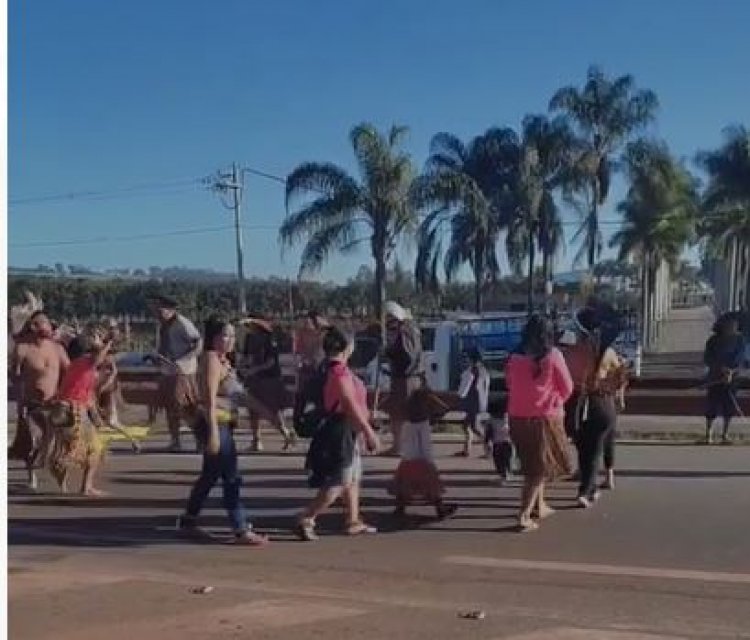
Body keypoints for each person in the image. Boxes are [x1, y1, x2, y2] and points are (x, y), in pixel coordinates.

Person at [177, 316, 268, 546]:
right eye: (225, 335)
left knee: (209, 476)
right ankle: (240, 528)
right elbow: (207, 399)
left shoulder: (223, 361)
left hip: (222, 424)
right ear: (214, 337)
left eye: (232, 335)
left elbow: (241, 397)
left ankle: (188, 521)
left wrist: (273, 418)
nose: (230, 340)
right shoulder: (210, 360)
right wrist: (214, 434)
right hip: (214, 425)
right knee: (231, 477)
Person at [296, 326, 380, 541]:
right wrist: (368, 431)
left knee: (352, 477)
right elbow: (349, 405)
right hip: (340, 428)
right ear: (348, 347)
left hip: (346, 428)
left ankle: (353, 520)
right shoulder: (339, 373)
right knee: (340, 479)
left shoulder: (333, 369)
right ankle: (308, 516)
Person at [505, 314, 573, 531]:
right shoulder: (553, 356)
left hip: (517, 417)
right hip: (543, 418)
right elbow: (567, 387)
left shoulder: (514, 356)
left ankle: (539, 505)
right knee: (537, 470)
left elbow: (509, 383)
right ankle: (523, 515)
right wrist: (554, 400)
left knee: (534, 463)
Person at [564, 307, 628, 506]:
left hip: (574, 403)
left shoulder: (571, 351)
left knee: (585, 448)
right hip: (600, 402)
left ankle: (587, 487)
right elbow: (620, 376)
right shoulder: (607, 352)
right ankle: (586, 490)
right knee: (594, 448)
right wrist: (615, 391)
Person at [48, 327, 115, 496]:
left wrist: (96, 417)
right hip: (73, 411)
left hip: (68, 409)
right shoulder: (84, 363)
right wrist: (109, 341)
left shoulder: (81, 367)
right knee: (93, 449)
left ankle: (68, 484)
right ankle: (85, 487)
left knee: (68, 448)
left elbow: (90, 394)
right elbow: (99, 357)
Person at [9, 310, 71, 490]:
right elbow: (15, 377)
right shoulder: (23, 349)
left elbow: (70, 372)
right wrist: (20, 402)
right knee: (33, 442)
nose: (42, 326)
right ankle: (32, 478)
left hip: (55, 404)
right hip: (32, 404)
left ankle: (62, 482)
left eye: (44, 322)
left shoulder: (58, 349)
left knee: (60, 444)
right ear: (32, 327)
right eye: (37, 323)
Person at [390, 386, 457, 520]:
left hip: (408, 459)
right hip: (423, 460)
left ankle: (400, 508)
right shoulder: (423, 424)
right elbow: (425, 445)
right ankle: (440, 509)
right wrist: (429, 461)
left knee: (404, 486)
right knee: (432, 488)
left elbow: (405, 442)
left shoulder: (407, 423)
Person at [151, 295, 201, 452]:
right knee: (170, 406)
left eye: (161, 310)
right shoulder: (163, 325)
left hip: (183, 372)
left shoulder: (183, 323)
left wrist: (184, 360)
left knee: (184, 406)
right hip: (167, 371)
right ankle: (175, 441)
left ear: (170, 309)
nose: (158, 313)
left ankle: (200, 438)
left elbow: (198, 343)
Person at [238, 318, 296, 452]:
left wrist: (255, 369)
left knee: (272, 410)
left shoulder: (269, 338)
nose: (249, 327)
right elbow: (247, 356)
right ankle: (256, 440)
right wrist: (243, 365)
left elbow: (271, 361)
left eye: (252, 324)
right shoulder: (249, 338)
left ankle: (285, 434)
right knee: (253, 410)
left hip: (269, 379)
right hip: (253, 379)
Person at [382, 301, 423, 456]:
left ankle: (400, 446)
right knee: (401, 414)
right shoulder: (412, 330)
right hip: (408, 377)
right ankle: (401, 446)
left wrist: (389, 352)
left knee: (400, 414)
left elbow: (407, 355)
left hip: (404, 378)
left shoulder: (405, 331)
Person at [704, 315, 746, 444]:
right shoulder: (713, 341)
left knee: (729, 406)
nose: (733, 326)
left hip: (732, 378)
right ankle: (708, 434)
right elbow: (708, 358)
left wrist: (731, 371)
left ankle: (725, 434)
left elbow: (740, 358)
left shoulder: (740, 340)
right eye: (730, 324)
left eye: (735, 324)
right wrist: (720, 368)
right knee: (712, 405)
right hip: (715, 377)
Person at [293, 311, 328, 429]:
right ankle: (298, 423)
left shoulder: (323, 334)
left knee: (320, 399)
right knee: (301, 397)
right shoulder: (301, 334)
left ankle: (320, 422)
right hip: (306, 369)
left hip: (320, 370)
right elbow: (298, 351)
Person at [456, 347, 491, 457]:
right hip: (480, 401)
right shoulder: (484, 370)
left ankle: (489, 448)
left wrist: (459, 396)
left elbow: (465, 386)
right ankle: (467, 449)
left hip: (473, 402)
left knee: (475, 426)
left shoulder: (472, 371)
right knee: (466, 424)